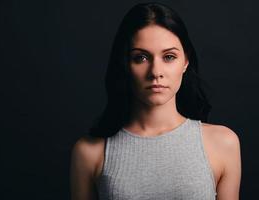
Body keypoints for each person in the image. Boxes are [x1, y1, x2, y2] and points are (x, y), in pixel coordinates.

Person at [70, 2, 241, 200]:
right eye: (141, 58)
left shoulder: (223, 143)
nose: (155, 72)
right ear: (125, 64)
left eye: (169, 57)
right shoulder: (90, 152)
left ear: (185, 61)